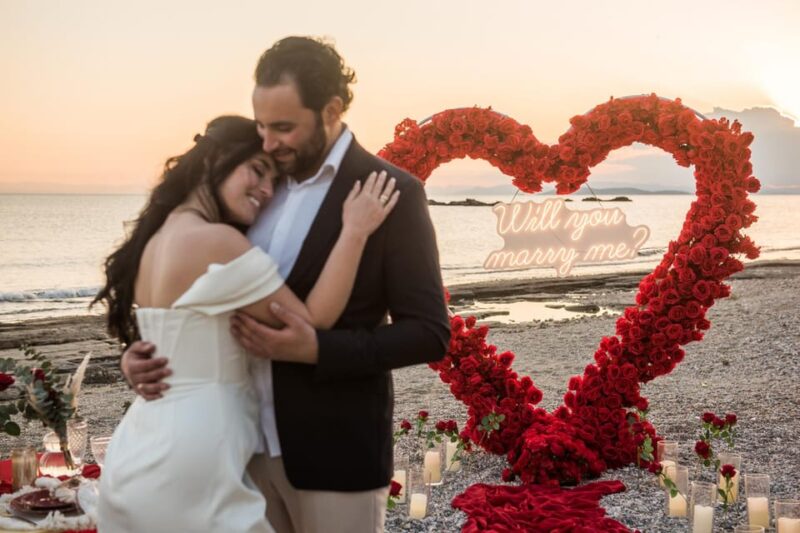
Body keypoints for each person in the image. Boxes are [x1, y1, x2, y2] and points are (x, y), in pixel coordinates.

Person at [122, 36, 451, 533]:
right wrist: (147, 350)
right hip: (237, 454)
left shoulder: (390, 192)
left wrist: (318, 350)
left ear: (331, 110)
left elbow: (429, 332)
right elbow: (197, 290)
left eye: (283, 127)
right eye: (260, 126)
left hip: (333, 455)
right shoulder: (251, 191)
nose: (269, 143)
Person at [93, 115, 399, 532]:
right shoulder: (217, 242)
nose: (267, 190)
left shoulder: (156, 241)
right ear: (212, 161)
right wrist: (355, 232)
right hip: (197, 451)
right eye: (256, 171)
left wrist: (130, 359)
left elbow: (174, 333)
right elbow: (311, 320)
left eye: (274, 179)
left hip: (143, 442)